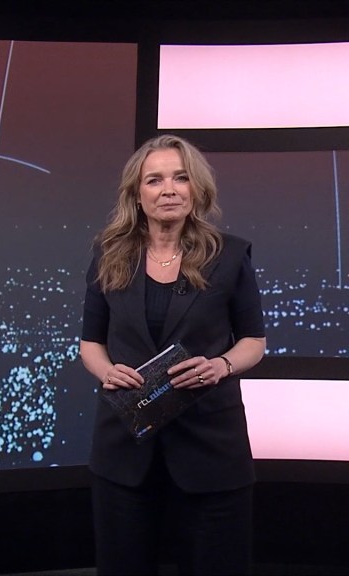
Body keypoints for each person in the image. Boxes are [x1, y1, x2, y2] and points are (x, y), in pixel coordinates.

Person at [79, 134, 267, 575]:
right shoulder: (109, 253)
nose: (169, 189)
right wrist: (107, 372)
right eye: (155, 180)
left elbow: (253, 342)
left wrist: (221, 365)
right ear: (136, 194)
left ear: (196, 189)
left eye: (181, 178)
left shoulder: (229, 255)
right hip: (125, 446)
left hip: (210, 444)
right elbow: (90, 344)